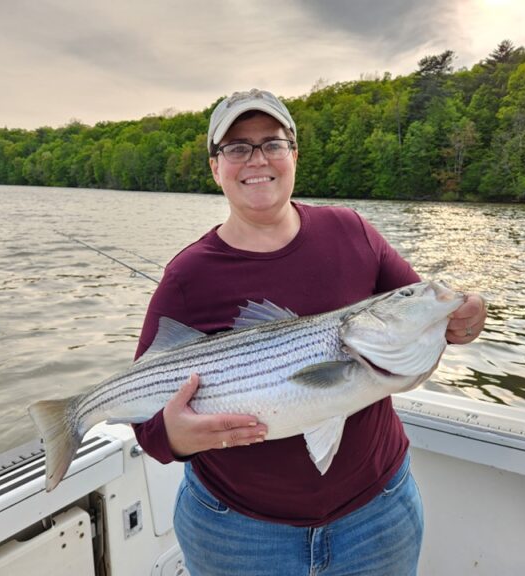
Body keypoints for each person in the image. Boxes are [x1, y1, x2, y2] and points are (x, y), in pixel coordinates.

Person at [133, 88, 486, 576]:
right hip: (236, 533)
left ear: (294, 154)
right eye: (237, 147)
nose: (257, 159)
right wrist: (174, 436)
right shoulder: (187, 275)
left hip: (378, 515)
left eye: (272, 143)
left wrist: (466, 317)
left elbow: (422, 313)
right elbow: (146, 422)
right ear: (215, 167)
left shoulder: (352, 231)